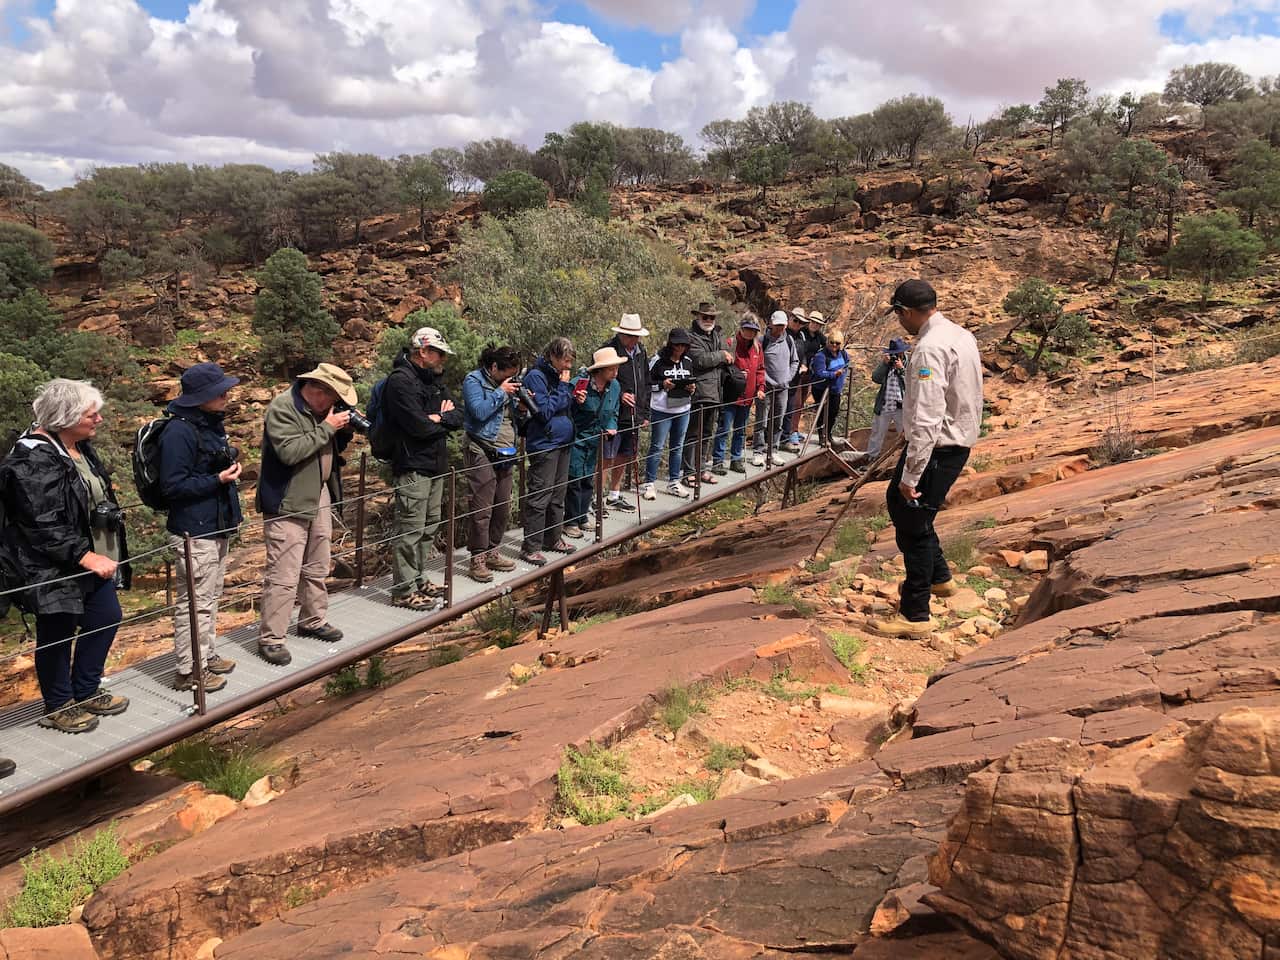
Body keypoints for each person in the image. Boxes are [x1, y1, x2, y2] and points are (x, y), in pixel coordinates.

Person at [0, 379, 132, 734]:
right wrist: (85, 556)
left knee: (106, 616)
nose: (99, 420)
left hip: (88, 557)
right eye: (91, 414)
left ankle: (86, 690)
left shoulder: (78, 446)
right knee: (57, 633)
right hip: (51, 566)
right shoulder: (33, 458)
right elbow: (41, 523)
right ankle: (58, 705)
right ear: (66, 416)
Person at [869, 280, 983, 639]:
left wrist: (911, 474)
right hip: (957, 440)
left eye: (899, 313)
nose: (900, 321)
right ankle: (940, 578)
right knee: (911, 511)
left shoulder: (929, 349)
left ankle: (915, 614)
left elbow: (927, 415)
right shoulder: (961, 335)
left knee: (912, 517)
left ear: (908, 311)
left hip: (937, 446)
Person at [256, 363, 356, 666]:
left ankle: (312, 619)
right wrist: (328, 427)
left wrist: (341, 433)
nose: (336, 404)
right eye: (334, 396)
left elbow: (325, 448)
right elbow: (290, 452)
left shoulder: (319, 411)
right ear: (318, 390)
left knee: (318, 562)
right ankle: (271, 638)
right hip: (288, 501)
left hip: (319, 493)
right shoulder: (283, 409)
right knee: (284, 574)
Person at [158, 362, 243, 693]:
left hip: (213, 526)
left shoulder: (207, 424)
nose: (226, 394)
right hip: (195, 530)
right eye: (219, 391)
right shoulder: (179, 432)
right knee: (195, 602)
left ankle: (204, 657)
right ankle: (188, 670)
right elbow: (172, 486)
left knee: (209, 597)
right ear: (200, 396)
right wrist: (217, 479)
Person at [383, 327, 464, 608]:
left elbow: (458, 416)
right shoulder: (400, 382)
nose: (443, 359)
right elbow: (417, 426)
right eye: (439, 353)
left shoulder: (433, 380)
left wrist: (438, 417)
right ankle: (403, 591)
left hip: (434, 464)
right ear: (423, 352)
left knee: (429, 526)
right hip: (412, 465)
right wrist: (440, 418)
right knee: (410, 529)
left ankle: (418, 579)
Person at [461, 344, 522, 584]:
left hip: (506, 451)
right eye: (506, 374)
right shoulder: (473, 381)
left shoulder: (508, 383)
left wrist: (522, 405)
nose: (510, 379)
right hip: (481, 449)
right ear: (494, 367)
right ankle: (477, 559)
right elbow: (478, 411)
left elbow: (513, 418)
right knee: (482, 507)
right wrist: (501, 392)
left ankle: (493, 551)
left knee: (502, 505)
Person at [519, 337, 577, 566]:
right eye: (564, 360)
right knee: (540, 495)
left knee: (558, 494)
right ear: (552, 355)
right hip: (545, 443)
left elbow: (560, 405)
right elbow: (543, 412)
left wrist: (573, 397)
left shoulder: (557, 376)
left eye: (570, 361)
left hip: (563, 441)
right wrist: (564, 387)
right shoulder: (536, 377)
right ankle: (530, 546)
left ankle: (553, 538)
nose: (568, 367)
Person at [564, 347, 626, 538]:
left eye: (616, 369)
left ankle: (582, 517)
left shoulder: (614, 387)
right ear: (599, 370)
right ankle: (570, 521)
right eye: (611, 369)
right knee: (574, 478)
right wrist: (576, 402)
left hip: (595, 439)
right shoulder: (577, 385)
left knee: (588, 478)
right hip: (575, 438)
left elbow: (614, 410)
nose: (615, 373)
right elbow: (565, 411)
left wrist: (611, 425)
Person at [600, 314, 650, 513]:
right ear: (621, 333)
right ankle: (597, 498)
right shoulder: (608, 350)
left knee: (625, 454)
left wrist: (645, 412)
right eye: (630, 335)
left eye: (636, 336)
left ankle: (614, 494)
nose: (634, 340)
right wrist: (620, 395)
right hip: (613, 412)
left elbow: (646, 381)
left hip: (634, 414)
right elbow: (599, 379)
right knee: (606, 456)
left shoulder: (641, 352)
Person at [682, 301, 733, 486]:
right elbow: (699, 360)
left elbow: (728, 353)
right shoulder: (691, 337)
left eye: (712, 317)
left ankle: (701, 469)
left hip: (715, 391)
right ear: (698, 317)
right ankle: (689, 472)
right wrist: (720, 355)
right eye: (705, 317)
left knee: (707, 433)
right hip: (699, 392)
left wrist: (722, 354)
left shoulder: (717, 335)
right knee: (693, 433)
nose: (709, 320)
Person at [642, 328, 695, 500]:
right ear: (671, 344)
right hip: (661, 410)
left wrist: (692, 389)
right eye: (677, 344)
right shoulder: (657, 361)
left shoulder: (687, 361)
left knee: (677, 446)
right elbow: (646, 384)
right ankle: (649, 483)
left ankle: (674, 481)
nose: (680, 348)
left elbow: (692, 381)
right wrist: (662, 385)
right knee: (657, 446)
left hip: (683, 408)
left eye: (684, 345)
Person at [712, 314, 765, 475]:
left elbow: (760, 369)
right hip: (730, 395)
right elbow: (721, 368)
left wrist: (760, 388)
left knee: (740, 430)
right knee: (724, 429)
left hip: (748, 397)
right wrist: (736, 373)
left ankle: (736, 459)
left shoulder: (757, 348)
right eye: (747, 329)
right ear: (741, 328)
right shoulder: (731, 344)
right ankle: (718, 461)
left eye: (753, 330)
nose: (749, 333)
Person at [754, 311, 799, 465]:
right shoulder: (762, 340)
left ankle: (773, 450)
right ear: (771, 324)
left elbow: (795, 361)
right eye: (778, 325)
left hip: (783, 388)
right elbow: (757, 365)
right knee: (762, 420)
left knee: (778, 421)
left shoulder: (789, 340)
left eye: (783, 325)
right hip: (765, 387)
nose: (780, 328)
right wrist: (767, 380)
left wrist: (788, 378)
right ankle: (758, 451)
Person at [868, 338, 909, 459]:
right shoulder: (887, 364)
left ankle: (906, 458)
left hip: (901, 406)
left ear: (902, 352)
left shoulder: (910, 363)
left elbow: (913, 384)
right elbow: (875, 378)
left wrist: (901, 369)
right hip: (885, 403)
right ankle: (871, 457)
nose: (895, 355)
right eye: (893, 353)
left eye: (898, 353)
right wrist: (883, 364)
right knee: (877, 433)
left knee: (906, 434)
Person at [810, 329, 850, 444]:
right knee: (822, 413)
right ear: (828, 342)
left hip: (835, 389)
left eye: (837, 343)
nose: (834, 345)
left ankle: (828, 434)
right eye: (832, 342)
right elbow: (819, 373)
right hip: (821, 389)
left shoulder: (842, 353)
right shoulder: (821, 355)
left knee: (833, 412)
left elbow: (847, 363)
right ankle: (822, 437)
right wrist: (833, 374)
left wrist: (842, 373)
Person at [782, 308, 809, 451]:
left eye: (801, 322)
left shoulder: (801, 337)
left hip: (795, 379)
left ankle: (785, 438)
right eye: (796, 320)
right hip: (782, 379)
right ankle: (771, 441)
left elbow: (802, 353)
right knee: (777, 410)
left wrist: (804, 363)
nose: (798, 324)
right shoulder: (783, 334)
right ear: (790, 318)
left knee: (790, 409)